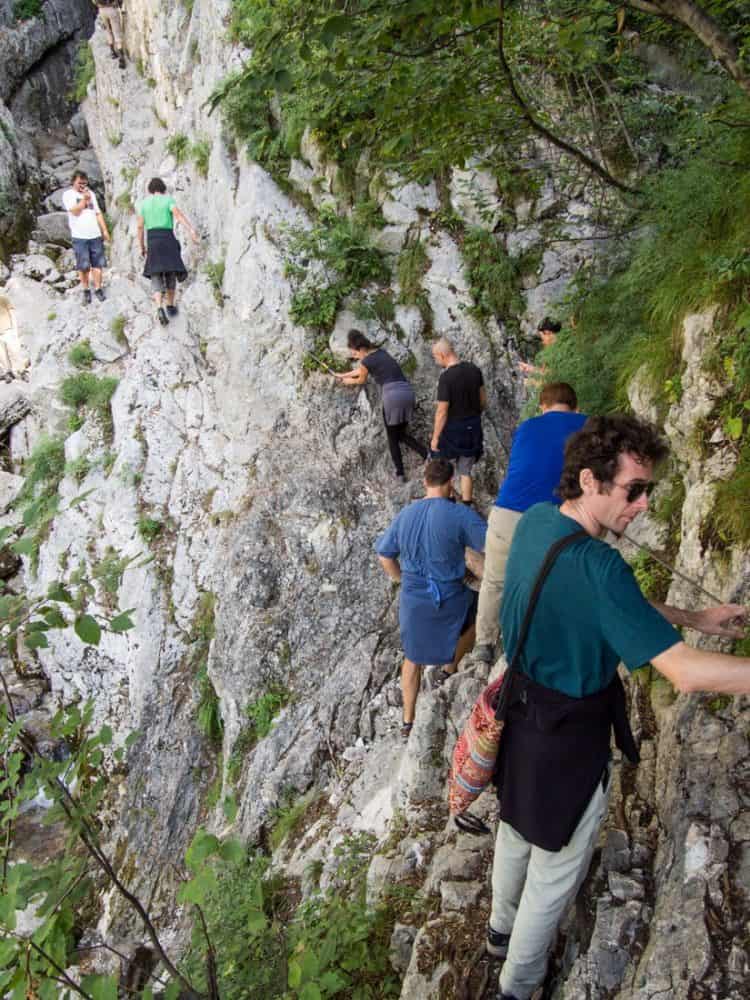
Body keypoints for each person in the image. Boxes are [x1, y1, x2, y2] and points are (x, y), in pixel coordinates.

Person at [487, 414, 749, 1000]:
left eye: (648, 491)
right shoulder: (600, 565)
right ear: (590, 480)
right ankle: (516, 988)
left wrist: (695, 617)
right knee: (554, 872)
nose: (643, 506)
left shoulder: (534, 523)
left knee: (515, 827)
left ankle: (496, 935)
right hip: (570, 737)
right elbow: (683, 672)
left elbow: (613, 606)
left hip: (522, 711)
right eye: (634, 490)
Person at [474, 382, 587, 664]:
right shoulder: (586, 426)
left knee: (494, 581)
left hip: (506, 511)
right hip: (550, 516)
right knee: (551, 580)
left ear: (542, 407)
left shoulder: (526, 428)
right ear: (576, 406)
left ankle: (484, 645)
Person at [375, 458, 487, 740]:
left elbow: (384, 555)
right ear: (451, 484)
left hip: (413, 598)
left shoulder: (405, 514)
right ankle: (447, 668)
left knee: (412, 658)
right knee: (481, 612)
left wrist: (402, 580)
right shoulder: (459, 514)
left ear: (425, 482)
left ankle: (407, 721)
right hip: (448, 596)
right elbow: (490, 543)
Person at [332, 330, 428, 481]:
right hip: (407, 393)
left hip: (392, 396)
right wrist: (343, 374)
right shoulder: (381, 352)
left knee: (392, 437)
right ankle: (425, 454)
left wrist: (346, 382)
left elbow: (360, 379)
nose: (355, 356)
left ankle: (400, 472)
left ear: (361, 349)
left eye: (355, 354)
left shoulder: (366, 361)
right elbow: (360, 370)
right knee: (399, 433)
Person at [137, 178, 199, 326]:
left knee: (156, 274)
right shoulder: (168, 200)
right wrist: (191, 231)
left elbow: (140, 227)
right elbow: (178, 215)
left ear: (150, 190)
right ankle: (170, 305)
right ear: (163, 188)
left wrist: (142, 246)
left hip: (152, 239)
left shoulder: (144, 204)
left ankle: (159, 306)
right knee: (171, 270)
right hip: (167, 237)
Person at [430, 338, 486, 504]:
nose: (436, 360)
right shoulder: (474, 370)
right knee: (465, 471)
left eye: (435, 357)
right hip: (473, 427)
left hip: (453, 430)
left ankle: (448, 502)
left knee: (441, 468)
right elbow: (483, 401)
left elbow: (442, 411)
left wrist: (435, 438)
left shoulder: (446, 378)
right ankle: (467, 507)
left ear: (442, 354)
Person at [62, 170, 111, 306]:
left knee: (98, 264)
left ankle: (98, 288)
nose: (82, 186)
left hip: (95, 235)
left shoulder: (92, 195)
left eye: (84, 183)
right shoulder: (68, 195)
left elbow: (98, 213)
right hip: (80, 236)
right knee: (83, 266)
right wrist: (84, 199)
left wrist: (105, 231)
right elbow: (75, 212)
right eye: (80, 183)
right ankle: (85, 289)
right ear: (73, 182)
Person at [94, 2, 126, 69]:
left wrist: (98, 5)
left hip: (102, 10)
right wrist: (120, 6)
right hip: (112, 10)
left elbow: (94, 1)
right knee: (117, 33)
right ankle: (121, 60)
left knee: (108, 32)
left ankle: (113, 53)